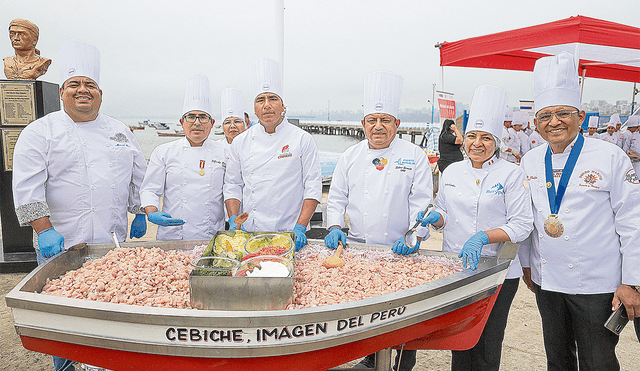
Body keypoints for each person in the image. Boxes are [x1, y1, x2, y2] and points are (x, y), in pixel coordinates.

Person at [12, 39, 147, 371]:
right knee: (66, 320)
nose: (82, 90)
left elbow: (138, 175)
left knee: (111, 306)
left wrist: (141, 210)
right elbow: (27, 186)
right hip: (61, 243)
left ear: (100, 93)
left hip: (111, 241)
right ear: (62, 91)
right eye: (74, 84)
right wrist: (42, 229)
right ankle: (66, 366)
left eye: (90, 85)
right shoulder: (39, 132)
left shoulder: (119, 131)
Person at [519, 51, 640, 371]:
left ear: (581, 116)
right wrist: (528, 265)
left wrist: (632, 281)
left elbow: (632, 221)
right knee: (557, 360)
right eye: (545, 115)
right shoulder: (530, 161)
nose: (554, 121)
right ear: (536, 123)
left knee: (597, 361)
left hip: (597, 284)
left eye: (563, 113)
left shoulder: (611, 157)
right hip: (548, 281)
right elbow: (528, 218)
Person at [417, 85, 533, 371]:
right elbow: (444, 210)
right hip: (458, 266)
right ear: (463, 139)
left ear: (497, 140)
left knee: (487, 342)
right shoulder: (452, 171)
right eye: (471, 136)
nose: (476, 143)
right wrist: (435, 217)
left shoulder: (512, 173)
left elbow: (522, 224)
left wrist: (484, 236)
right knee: (460, 338)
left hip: (498, 271)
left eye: (485, 138)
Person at [325, 71, 432, 371]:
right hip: (359, 250)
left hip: (401, 251)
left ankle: (402, 364)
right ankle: (370, 359)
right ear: (363, 124)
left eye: (385, 120)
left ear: (397, 124)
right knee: (365, 311)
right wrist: (335, 226)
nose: (378, 126)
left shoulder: (415, 155)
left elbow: (421, 202)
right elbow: (336, 199)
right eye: (372, 120)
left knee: (404, 318)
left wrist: (415, 235)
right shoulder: (350, 156)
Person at [224, 57, 322, 250]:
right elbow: (233, 184)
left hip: (291, 231)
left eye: (273, 99)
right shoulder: (241, 142)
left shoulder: (302, 139)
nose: (267, 105)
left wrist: (300, 227)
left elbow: (312, 185)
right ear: (254, 108)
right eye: (261, 100)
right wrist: (234, 218)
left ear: (283, 105)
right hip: (251, 230)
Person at [140, 74, 226, 240]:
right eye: (191, 117)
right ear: (182, 121)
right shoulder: (163, 152)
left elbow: (233, 188)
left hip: (212, 235)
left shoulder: (225, 153)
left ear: (212, 123)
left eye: (203, 117)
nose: (197, 123)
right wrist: (151, 212)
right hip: (172, 234)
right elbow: (150, 188)